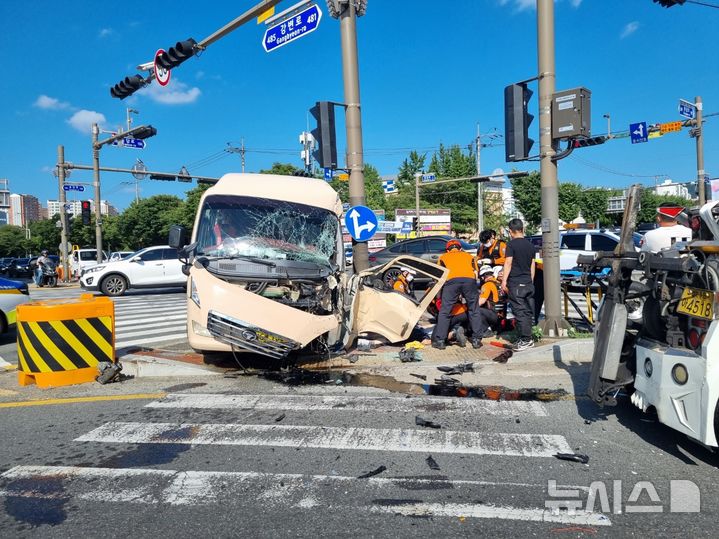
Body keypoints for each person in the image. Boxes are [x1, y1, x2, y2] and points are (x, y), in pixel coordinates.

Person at [433, 239, 483, 349]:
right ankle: (476, 340)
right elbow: (476, 273)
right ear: (460, 248)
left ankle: (440, 341)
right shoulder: (469, 256)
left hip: (451, 282)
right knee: (473, 309)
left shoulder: (443, 257)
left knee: (445, 311)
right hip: (469, 281)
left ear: (447, 250)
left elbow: (439, 275)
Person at [501, 219, 536, 351]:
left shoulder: (511, 245)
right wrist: (530, 280)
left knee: (520, 313)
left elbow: (508, 263)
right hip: (528, 283)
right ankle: (527, 338)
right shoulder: (530, 245)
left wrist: (504, 281)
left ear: (510, 231)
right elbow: (532, 264)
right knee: (527, 312)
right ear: (522, 229)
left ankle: (526, 340)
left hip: (516, 283)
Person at [477, 265, 500, 338]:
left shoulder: (487, 285)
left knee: (476, 309)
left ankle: (485, 330)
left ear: (483, 277)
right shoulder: (500, 283)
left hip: (494, 315)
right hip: (502, 316)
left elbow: (481, 302)